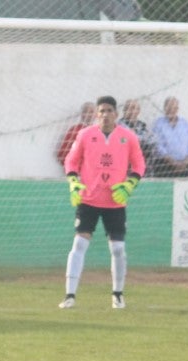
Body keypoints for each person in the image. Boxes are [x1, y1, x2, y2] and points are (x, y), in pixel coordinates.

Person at [59, 95, 145, 311]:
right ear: (96, 114)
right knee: (79, 244)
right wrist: (73, 182)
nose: (105, 114)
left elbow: (139, 164)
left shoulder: (129, 137)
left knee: (118, 248)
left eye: (109, 110)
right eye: (101, 111)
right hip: (89, 198)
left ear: (116, 113)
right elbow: (71, 159)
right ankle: (70, 295)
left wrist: (129, 185)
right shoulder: (85, 135)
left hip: (115, 202)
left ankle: (117, 295)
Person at [150, 96, 188, 178]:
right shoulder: (158, 124)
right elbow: (158, 146)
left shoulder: (184, 124)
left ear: (177, 109)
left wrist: (184, 163)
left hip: (183, 166)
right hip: (163, 166)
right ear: (164, 108)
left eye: (173, 107)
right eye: (168, 107)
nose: (171, 110)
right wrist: (173, 163)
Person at [119, 99, 157, 177]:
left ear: (138, 111)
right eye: (128, 108)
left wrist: (135, 137)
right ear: (124, 111)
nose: (130, 110)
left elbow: (153, 139)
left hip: (143, 151)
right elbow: (123, 140)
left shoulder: (142, 125)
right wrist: (138, 138)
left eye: (133, 108)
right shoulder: (119, 125)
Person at [55, 102, 95, 169]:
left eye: (91, 112)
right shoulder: (75, 130)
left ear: (96, 114)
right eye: (86, 112)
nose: (89, 115)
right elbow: (61, 154)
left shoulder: (100, 131)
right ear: (82, 114)